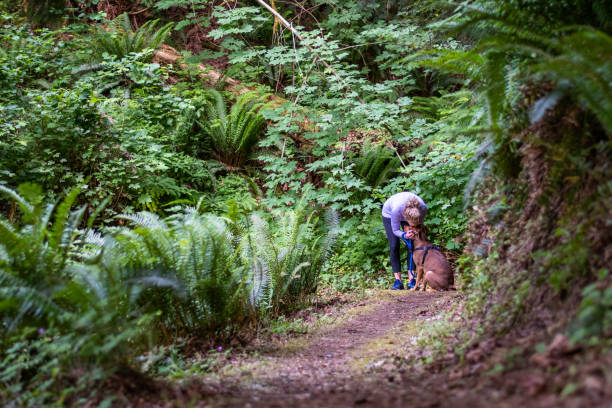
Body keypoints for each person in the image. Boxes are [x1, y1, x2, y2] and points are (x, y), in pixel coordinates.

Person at [381, 191, 427, 290]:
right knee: (394, 245)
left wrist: (413, 231)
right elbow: (395, 230)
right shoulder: (396, 210)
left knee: (412, 244)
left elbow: (420, 226)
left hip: (411, 213)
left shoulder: (423, 208)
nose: (411, 227)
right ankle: (398, 281)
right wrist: (404, 234)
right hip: (389, 214)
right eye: (410, 224)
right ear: (406, 218)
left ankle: (412, 280)